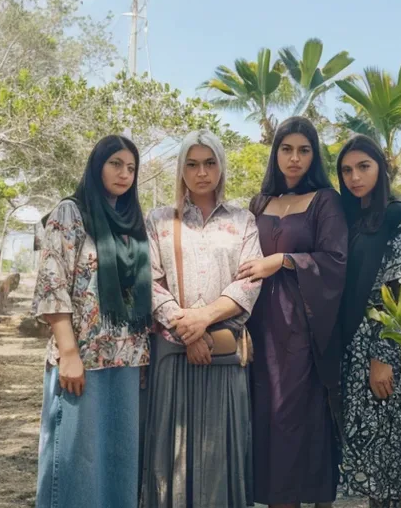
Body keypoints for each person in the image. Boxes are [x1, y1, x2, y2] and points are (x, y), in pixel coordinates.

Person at [140, 130, 263, 508]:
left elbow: (250, 281)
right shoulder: (159, 220)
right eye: (192, 164)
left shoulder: (243, 221)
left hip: (223, 356)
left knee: (220, 453)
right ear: (180, 170)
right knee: (170, 456)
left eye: (210, 163)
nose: (202, 172)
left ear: (221, 166)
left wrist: (205, 323)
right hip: (175, 356)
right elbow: (148, 281)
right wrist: (187, 331)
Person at [32, 135, 152, 508]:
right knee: (73, 461)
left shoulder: (131, 222)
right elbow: (53, 283)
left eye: (131, 168)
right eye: (115, 163)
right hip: (81, 358)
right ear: (96, 164)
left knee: (118, 460)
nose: (124, 173)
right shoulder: (70, 212)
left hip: (127, 360)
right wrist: (68, 351)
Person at [241, 116, 348, 508]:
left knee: (295, 419)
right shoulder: (259, 203)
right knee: (262, 416)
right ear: (276, 153)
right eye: (287, 149)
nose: (294, 158)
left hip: (302, 329)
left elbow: (336, 261)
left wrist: (283, 260)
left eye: (304, 150)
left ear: (314, 155)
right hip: (259, 327)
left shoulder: (326, 201)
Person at [336, 135, 401, 508]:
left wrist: (382, 356)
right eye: (346, 170)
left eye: (363, 167)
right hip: (352, 351)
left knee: (386, 463)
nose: (354, 177)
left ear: (380, 169)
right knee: (367, 462)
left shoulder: (396, 214)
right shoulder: (351, 219)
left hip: (380, 348)